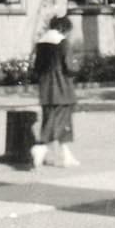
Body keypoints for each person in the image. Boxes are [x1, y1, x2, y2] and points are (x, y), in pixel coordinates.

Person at [31, 15, 80, 168]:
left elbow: (37, 68)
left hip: (46, 89)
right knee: (58, 122)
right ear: (63, 29)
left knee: (53, 120)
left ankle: (65, 155)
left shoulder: (41, 44)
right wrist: (77, 66)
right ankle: (40, 147)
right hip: (62, 89)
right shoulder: (63, 43)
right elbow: (70, 67)